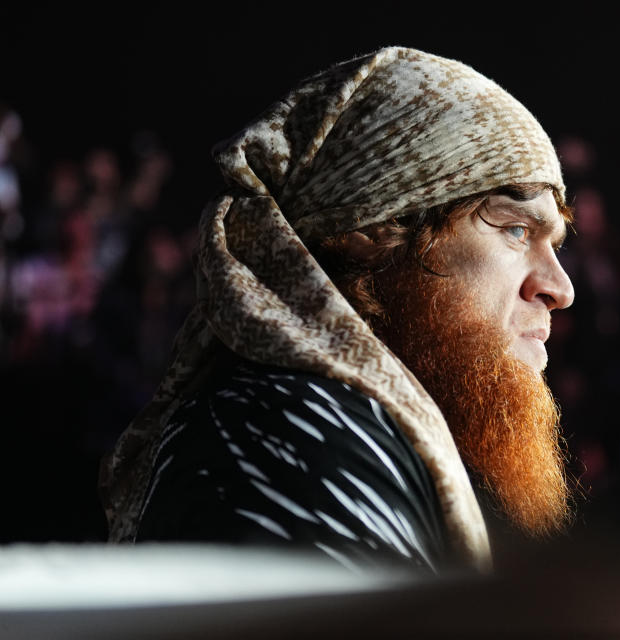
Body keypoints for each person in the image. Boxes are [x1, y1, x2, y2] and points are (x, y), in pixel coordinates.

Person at [99, 46, 576, 575]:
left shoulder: (358, 429)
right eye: (515, 229)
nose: (559, 287)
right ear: (374, 229)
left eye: (554, 242)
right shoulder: (283, 433)